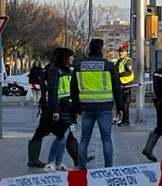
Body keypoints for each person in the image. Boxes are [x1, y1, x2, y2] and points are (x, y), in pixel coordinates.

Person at [74, 38, 123, 167]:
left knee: (84, 140)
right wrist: (120, 107)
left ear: (89, 49)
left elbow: (73, 88)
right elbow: (116, 88)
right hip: (104, 107)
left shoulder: (79, 65)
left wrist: (75, 107)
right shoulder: (108, 66)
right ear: (101, 50)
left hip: (86, 107)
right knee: (106, 140)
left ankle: (81, 167)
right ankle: (108, 169)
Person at [43, 46, 83, 170]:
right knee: (61, 136)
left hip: (67, 108)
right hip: (59, 108)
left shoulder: (67, 71)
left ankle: (59, 163)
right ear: (65, 57)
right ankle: (50, 163)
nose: (73, 58)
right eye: (71, 56)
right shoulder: (54, 71)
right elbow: (53, 92)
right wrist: (55, 110)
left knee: (64, 137)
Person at [113, 45, 135, 126]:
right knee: (119, 103)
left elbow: (129, 72)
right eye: (119, 51)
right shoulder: (117, 61)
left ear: (126, 52)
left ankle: (126, 121)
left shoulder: (128, 61)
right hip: (119, 85)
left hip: (126, 85)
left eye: (122, 51)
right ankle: (119, 119)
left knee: (125, 104)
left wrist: (119, 75)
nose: (120, 53)